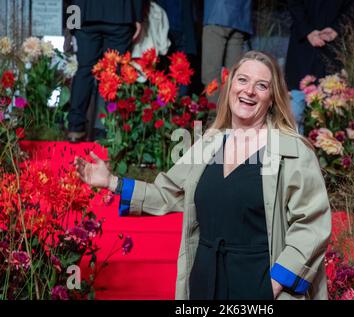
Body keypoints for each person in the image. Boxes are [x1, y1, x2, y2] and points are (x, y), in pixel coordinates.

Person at [75, 51, 331, 300]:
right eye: (242, 80)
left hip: (259, 282)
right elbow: (168, 193)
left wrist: (275, 284)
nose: (249, 90)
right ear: (230, 86)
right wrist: (111, 182)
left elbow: (312, 223)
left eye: (261, 85)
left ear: (272, 98)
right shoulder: (209, 144)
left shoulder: (291, 149)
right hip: (206, 280)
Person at [67, 0, 144, 143]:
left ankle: (75, 128)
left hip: (84, 11)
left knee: (84, 69)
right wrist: (137, 16)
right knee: (113, 73)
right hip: (120, 13)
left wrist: (72, 18)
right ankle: (105, 128)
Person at [285, 0, 354, 134]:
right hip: (302, 47)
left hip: (337, 48)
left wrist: (338, 28)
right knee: (295, 113)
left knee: (333, 118)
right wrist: (307, 30)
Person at [201, 0, 253, 103]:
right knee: (234, 75)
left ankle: (215, 115)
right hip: (240, 16)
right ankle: (232, 115)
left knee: (211, 75)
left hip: (216, 13)